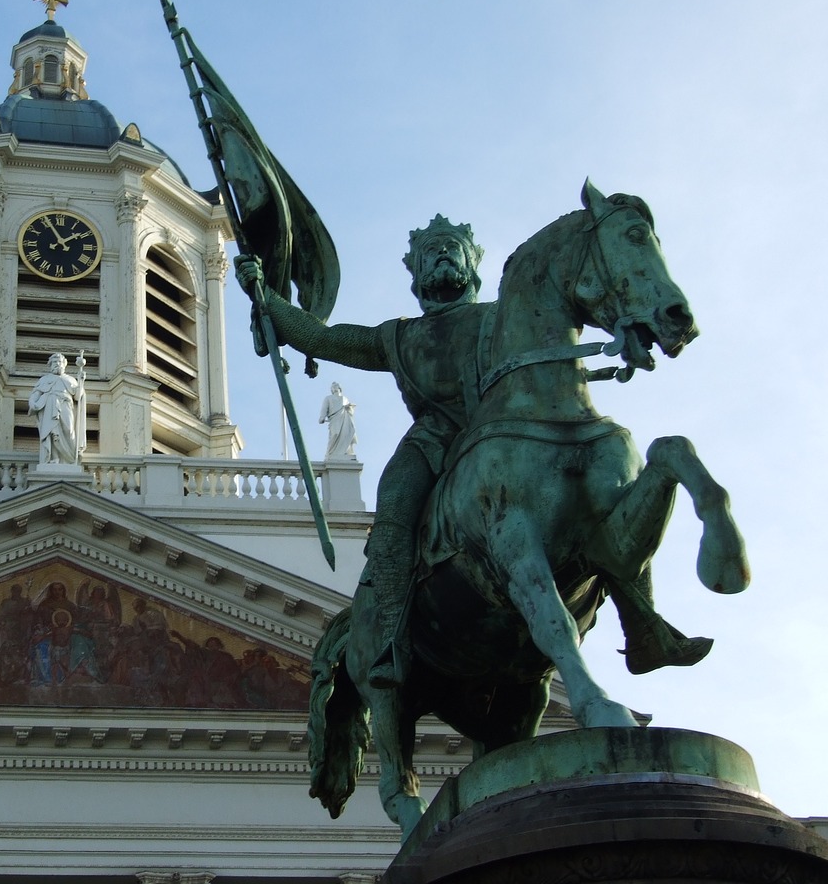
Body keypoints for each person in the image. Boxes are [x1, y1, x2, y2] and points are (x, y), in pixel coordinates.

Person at [236, 215, 710, 689]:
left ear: (471, 264)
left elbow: (567, 329)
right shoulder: (398, 337)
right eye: (431, 252)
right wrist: (267, 297)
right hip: (432, 444)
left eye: (452, 248)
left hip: (510, 433)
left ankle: (643, 624)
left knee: (606, 485)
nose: (443, 255)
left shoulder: (506, 316)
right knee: (394, 515)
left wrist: (627, 330)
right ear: (417, 273)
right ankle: (392, 639)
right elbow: (323, 340)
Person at [28, 352, 86, 464]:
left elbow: (78, 396)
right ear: (50, 365)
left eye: (60, 362)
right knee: (51, 432)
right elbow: (36, 394)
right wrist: (32, 402)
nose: (57, 364)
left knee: (69, 430)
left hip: (65, 405)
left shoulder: (70, 380)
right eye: (54, 362)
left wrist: (81, 381)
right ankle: (54, 458)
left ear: (64, 364)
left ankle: (70, 459)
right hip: (50, 406)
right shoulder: (44, 380)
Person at [319, 382, 357, 459]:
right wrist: (322, 417)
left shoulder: (345, 398)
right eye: (333, 387)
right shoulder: (328, 398)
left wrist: (349, 407)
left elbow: (350, 410)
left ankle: (345, 452)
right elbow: (324, 408)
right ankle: (331, 452)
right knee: (335, 434)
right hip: (334, 418)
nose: (334, 387)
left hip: (345, 417)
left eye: (336, 386)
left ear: (340, 388)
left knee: (346, 433)